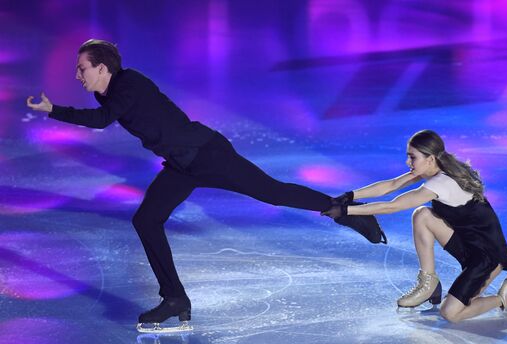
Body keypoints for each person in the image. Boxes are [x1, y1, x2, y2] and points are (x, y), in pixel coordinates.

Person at [26, 39, 386, 329]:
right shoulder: (104, 92)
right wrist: (55, 109)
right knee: (146, 220)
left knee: (272, 193)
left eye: (82, 68)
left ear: (101, 67)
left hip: (207, 154)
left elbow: (103, 120)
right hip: (182, 165)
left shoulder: (128, 83)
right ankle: (174, 299)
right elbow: (105, 113)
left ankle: (347, 211)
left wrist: (53, 110)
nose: (77, 75)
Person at [322, 130, 507, 322]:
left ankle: (505, 297)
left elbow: (393, 206)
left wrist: (345, 211)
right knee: (422, 215)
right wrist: (349, 196)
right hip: (468, 246)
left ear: (430, 158)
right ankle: (429, 283)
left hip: (488, 257)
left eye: (412, 157)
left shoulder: (442, 183)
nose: (408, 162)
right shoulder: (439, 169)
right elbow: (392, 185)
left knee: (451, 313)